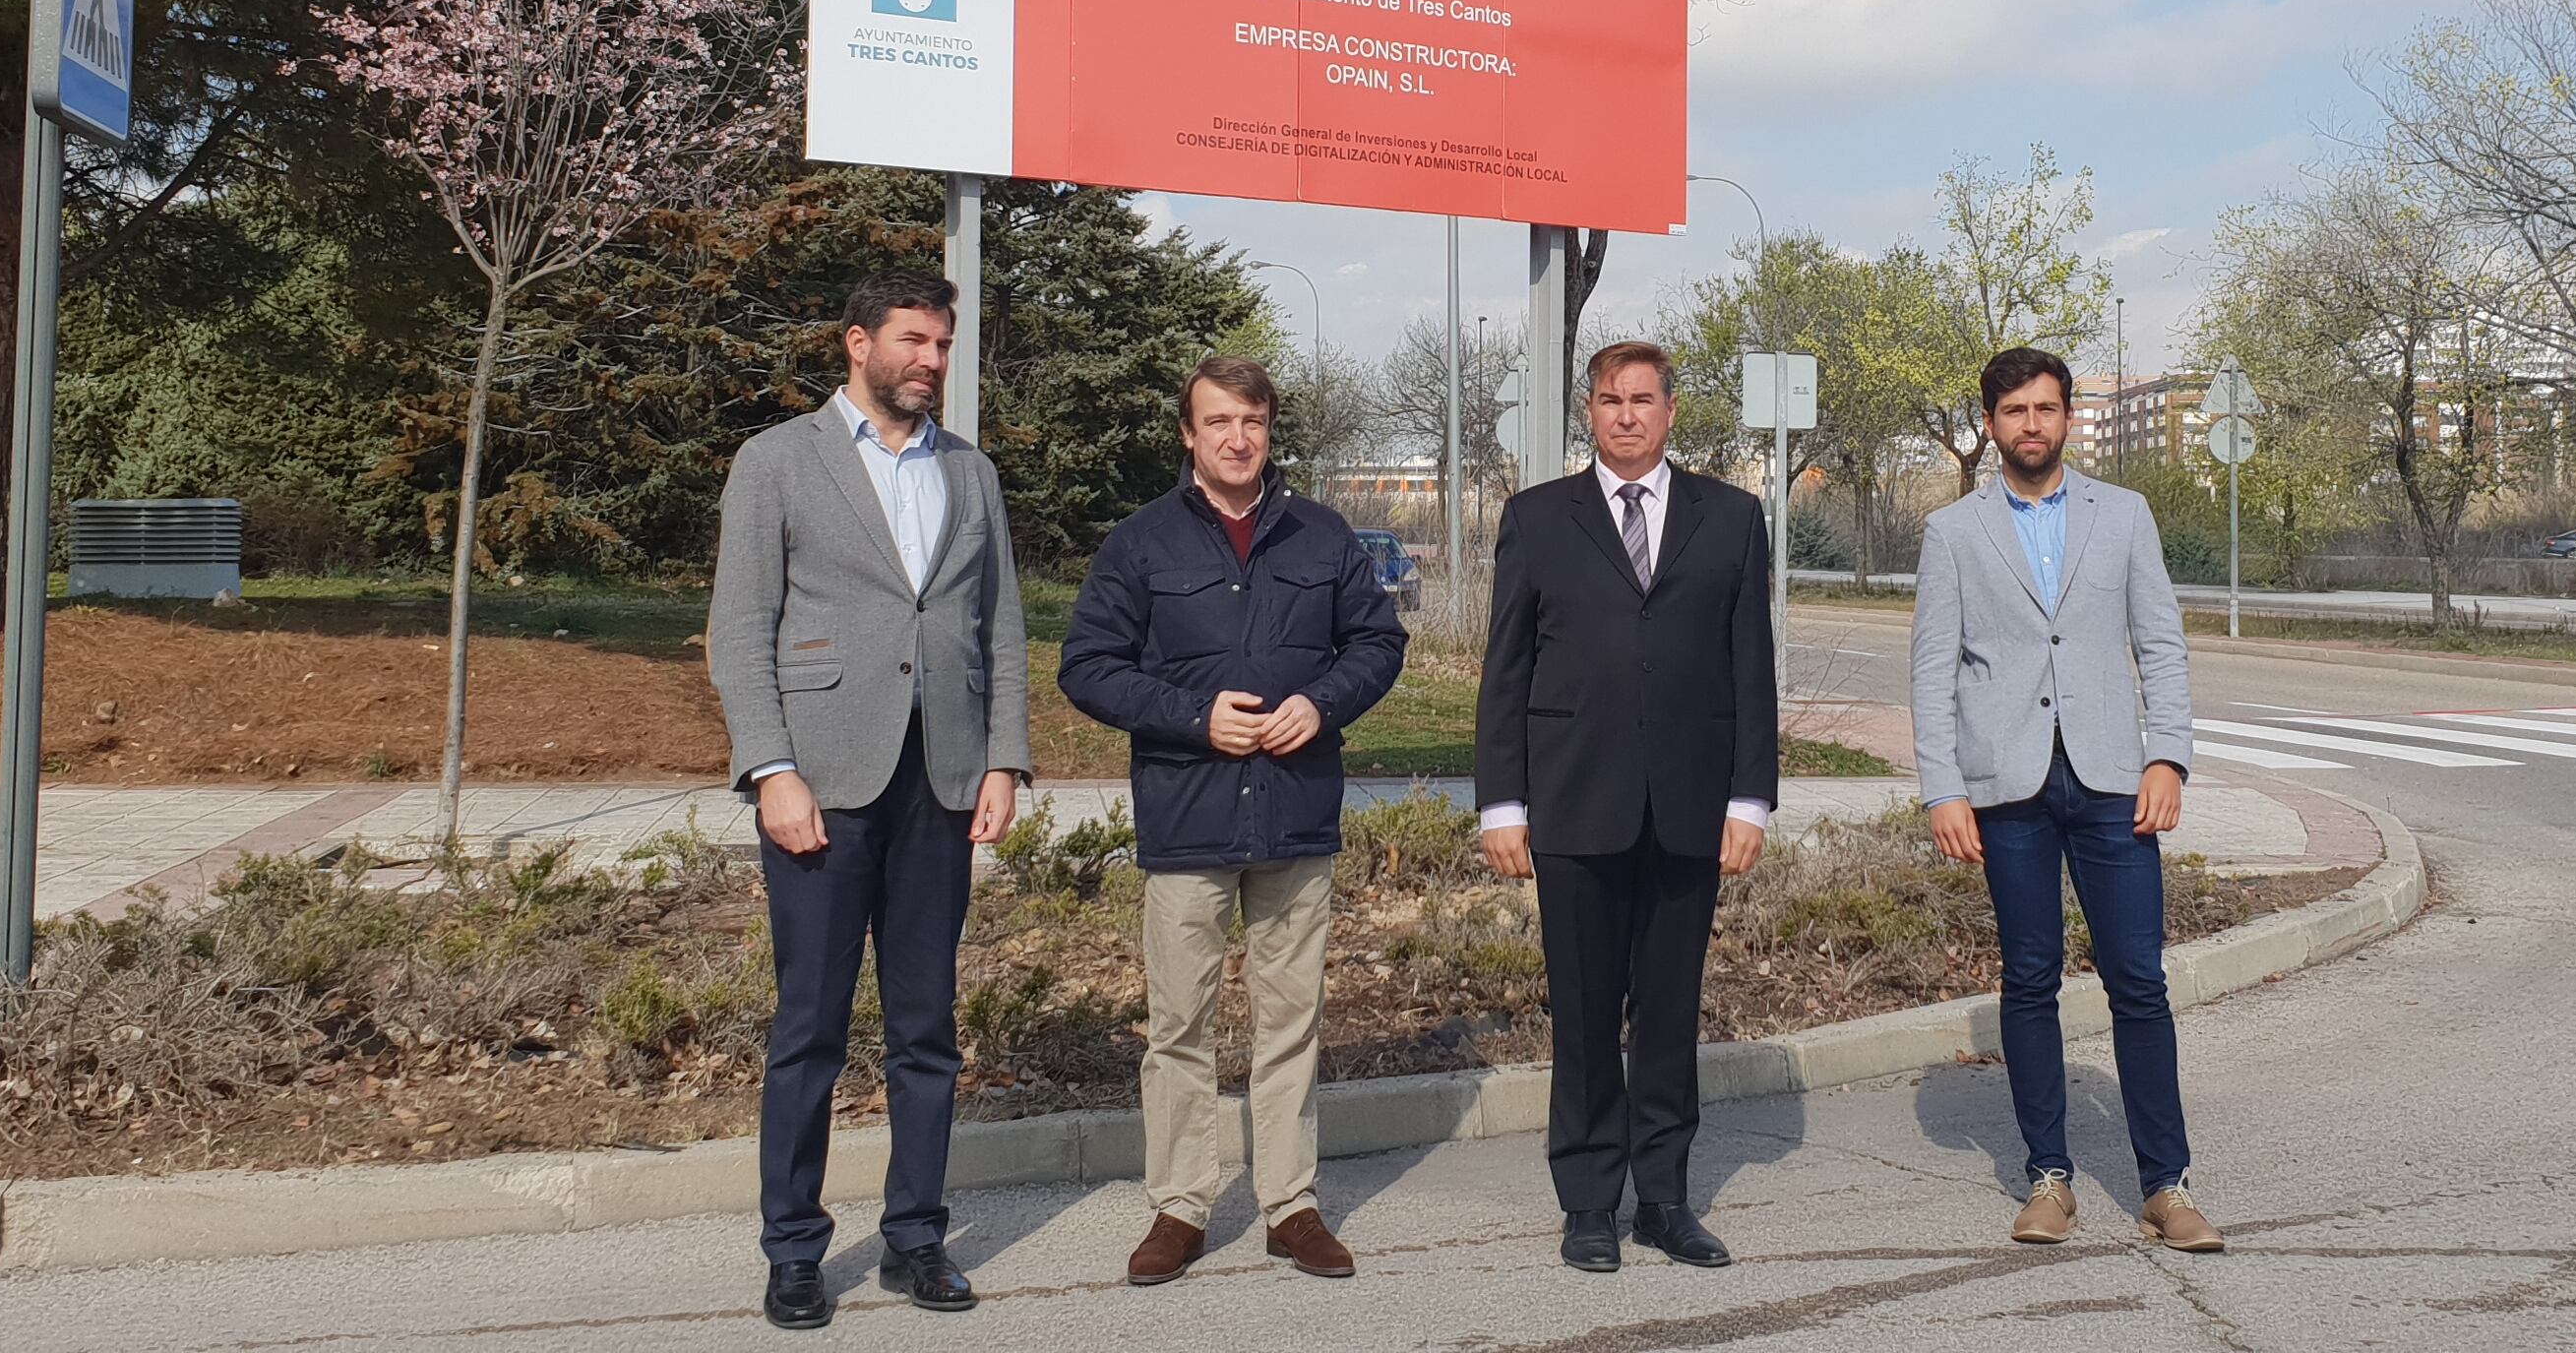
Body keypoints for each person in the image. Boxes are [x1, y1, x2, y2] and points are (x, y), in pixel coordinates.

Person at [708, 273, 1032, 1330]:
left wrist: (1002, 761)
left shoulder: (971, 473)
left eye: (942, 343)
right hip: (823, 782)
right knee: (809, 1026)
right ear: (858, 344)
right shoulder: (777, 463)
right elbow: (740, 628)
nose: (932, 360)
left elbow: (1001, 630)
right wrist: (771, 769)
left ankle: (915, 1239)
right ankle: (794, 1249)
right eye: (913, 340)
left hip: (940, 780)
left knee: (926, 1026)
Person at [1060, 354, 1404, 1287]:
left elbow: (1379, 642)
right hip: (1189, 817)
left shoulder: (1322, 537)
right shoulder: (1140, 544)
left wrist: (1323, 703)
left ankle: (1290, 1206)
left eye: (1251, 421)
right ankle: (1179, 1207)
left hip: (1294, 818)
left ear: (1268, 429)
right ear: (1189, 434)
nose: (1237, 438)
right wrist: (1192, 715)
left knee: (1291, 1022)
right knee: (1181, 1027)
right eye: (1218, 422)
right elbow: (1086, 665)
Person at [1474, 339, 1779, 1273]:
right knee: (1583, 1011)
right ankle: (1588, 1203)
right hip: (1573, 803)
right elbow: (1507, 671)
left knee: (1670, 1014)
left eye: (1643, 400)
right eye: (1610, 401)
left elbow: (1751, 670)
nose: (1627, 416)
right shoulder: (1536, 518)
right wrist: (1501, 806)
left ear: (1671, 410)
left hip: (1690, 807)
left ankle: (1666, 1199)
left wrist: (1750, 800)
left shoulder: (1730, 518)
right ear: (1588, 410)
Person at [1907, 346, 2220, 1253]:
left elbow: (2161, 644)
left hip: (2114, 782)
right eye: (2014, 412)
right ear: (1990, 424)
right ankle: (2050, 1177)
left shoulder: (2122, 517)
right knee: (2031, 978)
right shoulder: (1953, 533)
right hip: (2007, 788)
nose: (2031, 425)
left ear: (2069, 418)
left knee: (2138, 980)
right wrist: (1943, 789)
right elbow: (1932, 672)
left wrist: (2170, 759)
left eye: (2046, 409)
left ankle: (2167, 1184)